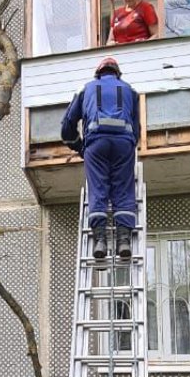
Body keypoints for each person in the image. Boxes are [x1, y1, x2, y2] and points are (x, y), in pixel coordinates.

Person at [60, 56, 140, 260]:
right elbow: (137, 128)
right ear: (117, 73)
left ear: (98, 73)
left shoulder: (86, 89)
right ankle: (123, 241)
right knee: (123, 189)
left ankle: (100, 241)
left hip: (96, 143)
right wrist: (128, 146)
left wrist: (80, 148)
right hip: (124, 143)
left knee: (98, 189)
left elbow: (67, 127)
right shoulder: (130, 91)